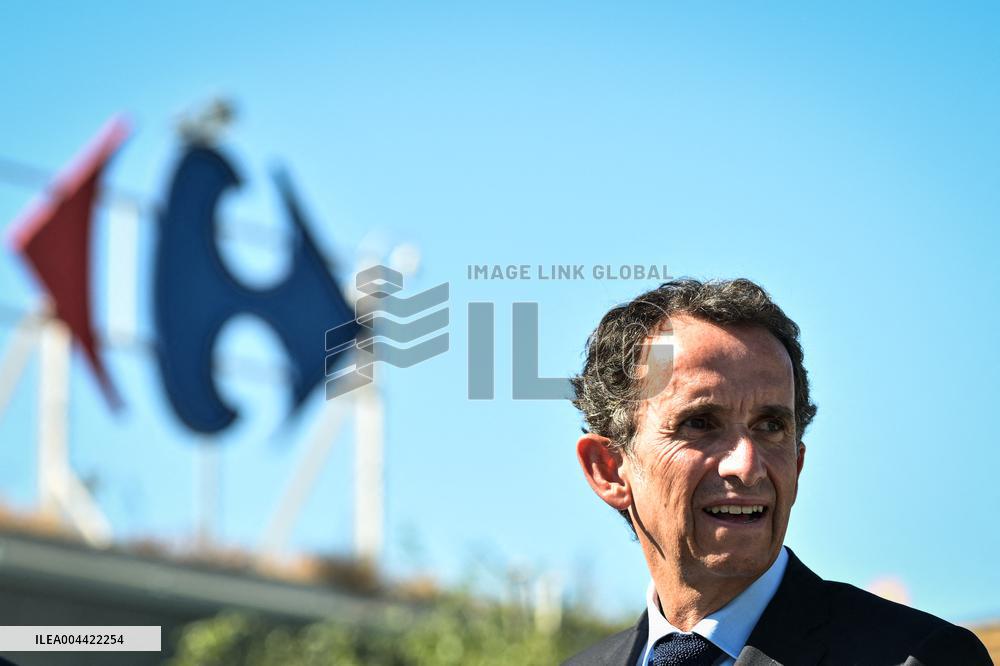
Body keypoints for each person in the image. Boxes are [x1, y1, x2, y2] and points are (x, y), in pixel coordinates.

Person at [565, 278, 990, 666]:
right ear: (609, 469)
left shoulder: (921, 657)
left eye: (770, 427)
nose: (747, 466)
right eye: (699, 423)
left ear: (797, 462)